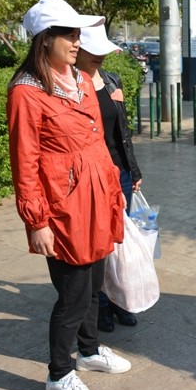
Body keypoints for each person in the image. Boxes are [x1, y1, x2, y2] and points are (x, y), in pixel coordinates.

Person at [7, 0, 132, 390]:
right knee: (73, 295)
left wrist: (114, 191)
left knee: (94, 284)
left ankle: (89, 352)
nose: (78, 41)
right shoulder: (26, 92)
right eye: (69, 33)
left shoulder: (80, 78)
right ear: (45, 38)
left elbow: (98, 143)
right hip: (63, 207)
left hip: (98, 196)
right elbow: (25, 163)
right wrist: (37, 222)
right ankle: (59, 374)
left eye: (79, 33)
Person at [76, 24, 143, 332]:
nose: (100, 56)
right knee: (99, 243)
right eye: (93, 50)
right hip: (93, 177)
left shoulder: (112, 80)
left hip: (121, 174)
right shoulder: (70, 86)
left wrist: (133, 170)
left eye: (103, 50)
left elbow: (122, 132)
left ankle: (119, 300)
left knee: (120, 241)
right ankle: (100, 305)